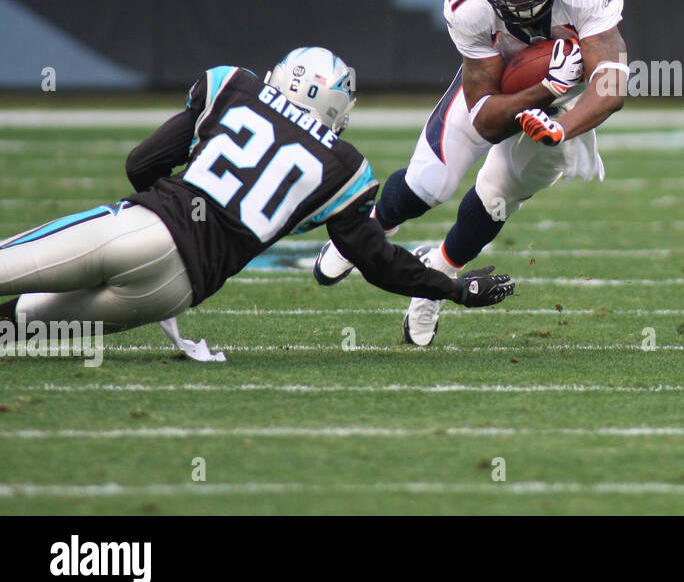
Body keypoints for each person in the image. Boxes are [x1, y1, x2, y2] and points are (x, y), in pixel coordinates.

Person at [0, 47, 514, 358]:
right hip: (176, 289)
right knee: (18, 325)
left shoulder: (235, 87)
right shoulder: (343, 166)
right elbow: (377, 261)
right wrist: (454, 290)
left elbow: (140, 164)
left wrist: (168, 202)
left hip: (144, 228)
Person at [313, 0, 627, 346]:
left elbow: (610, 86)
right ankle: (368, 229)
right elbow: (484, 114)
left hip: (563, 111)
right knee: (430, 183)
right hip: (501, 91)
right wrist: (545, 86)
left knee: (497, 199)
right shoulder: (469, 4)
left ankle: (436, 277)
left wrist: (561, 125)